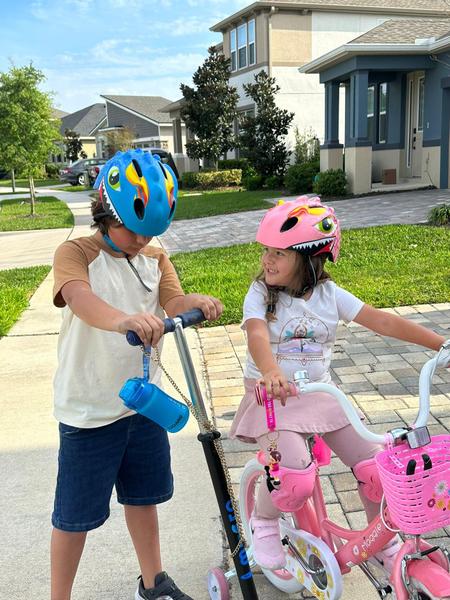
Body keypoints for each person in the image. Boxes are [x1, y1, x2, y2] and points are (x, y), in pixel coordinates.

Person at [229, 195, 446, 573]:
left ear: (309, 258)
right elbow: (257, 336)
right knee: (293, 478)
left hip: (321, 398)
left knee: (377, 469)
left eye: (278, 253)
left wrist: (441, 344)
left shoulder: (330, 296)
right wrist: (269, 369)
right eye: (266, 251)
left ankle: (384, 541)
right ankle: (264, 520)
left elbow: (383, 322)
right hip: (273, 400)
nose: (266, 260)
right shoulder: (261, 294)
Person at [51, 148, 223, 600]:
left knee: (144, 499)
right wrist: (122, 320)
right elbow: (78, 298)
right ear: (107, 211)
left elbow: (172, 302)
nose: (141, 241)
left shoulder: (155, 255)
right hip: (90, 410)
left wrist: (196, 302)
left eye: (151, 234)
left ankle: (153, 583)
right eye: (133, 229)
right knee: (74, 516)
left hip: (144, 405)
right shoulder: (76, 253)